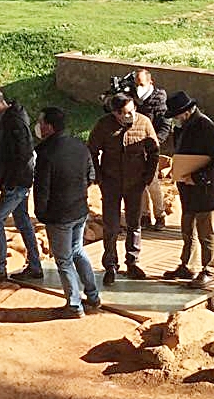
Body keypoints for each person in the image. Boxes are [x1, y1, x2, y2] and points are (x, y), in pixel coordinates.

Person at [33, 107, 100, 319]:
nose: (39, 126)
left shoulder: (45, 153)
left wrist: (41, 213)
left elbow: (42, 188)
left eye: (41, 122)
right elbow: (91, 175)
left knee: (63, 260)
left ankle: (74, 305)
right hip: (80, 210)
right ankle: (93, 295)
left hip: (58, 215)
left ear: (49, 127)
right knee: (78, 250)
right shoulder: (80, 145)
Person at [88, 93, 159, 286]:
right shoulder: (103, 125)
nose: (131, 115)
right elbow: (92, 150)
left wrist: (147, 176)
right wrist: (99, 176)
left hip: (135, 183)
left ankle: (133, 262)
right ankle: (110, 265)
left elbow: (154, 151)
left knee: (134, 224)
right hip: (111, 183)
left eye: (132, 110)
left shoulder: (144, 123)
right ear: (116, 114)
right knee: (111, 226)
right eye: (126, 113)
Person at [162, 92, 214, 289]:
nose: (175, 119)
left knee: (206, 231)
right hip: (187, 188)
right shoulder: (182, 127)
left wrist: (197, 177)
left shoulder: (207, 127)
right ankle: (187, 265)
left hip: (205, 189)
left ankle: (209, 270)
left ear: (188, 111)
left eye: (177, 115)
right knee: (187, 229)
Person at [0, 88, 42, 282]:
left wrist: (11, 181)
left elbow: (22, 154)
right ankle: (35, 265)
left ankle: (0, 267)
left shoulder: (13, 122)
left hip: (16, 182)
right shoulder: (10, 119)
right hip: (17, 180)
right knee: (22, 221)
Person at [135, 69, 172, 231]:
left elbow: (165, 125)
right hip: (135, 147)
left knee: (152, 182)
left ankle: (160, 215)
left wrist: (155, 143)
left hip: (151, 147)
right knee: (138, 183)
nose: (138, 88)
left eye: (141, 84)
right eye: (136, 84)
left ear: (151, 82)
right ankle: (144, 214)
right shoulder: (133, 98)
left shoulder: (159, 100)